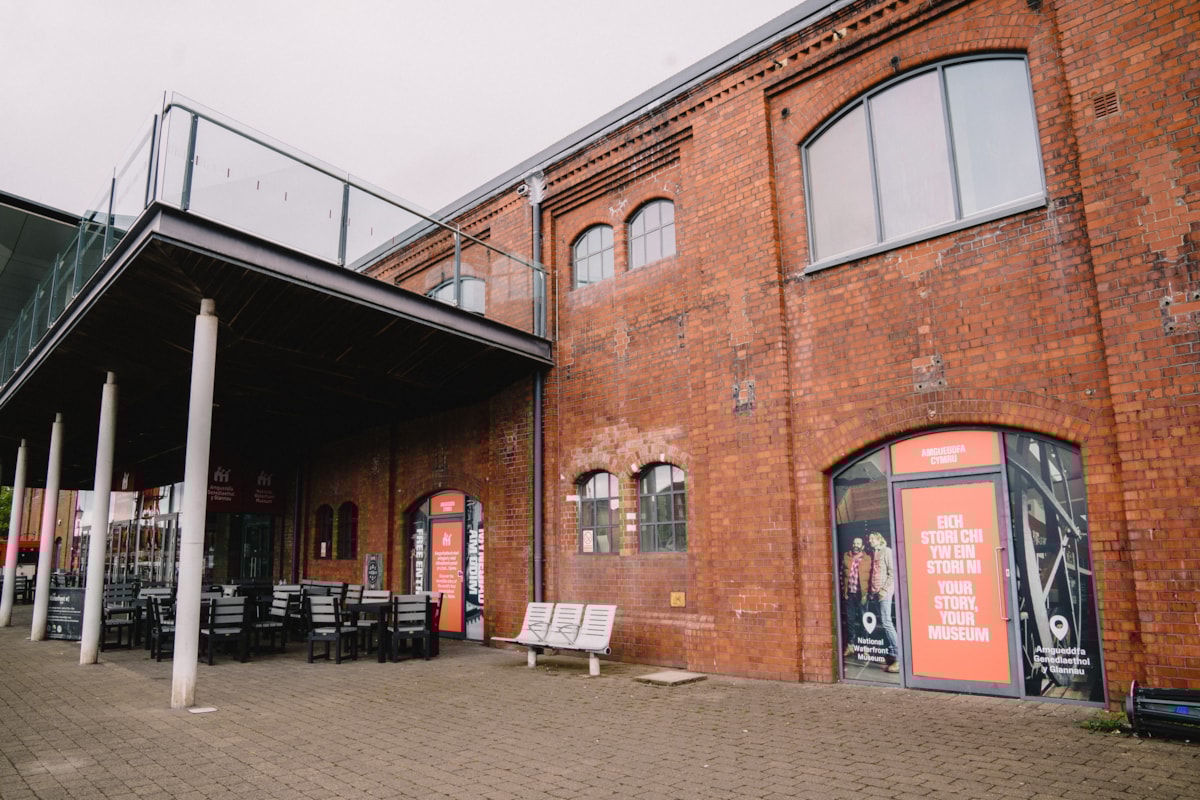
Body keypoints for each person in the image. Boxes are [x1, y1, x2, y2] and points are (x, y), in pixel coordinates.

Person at [867, 530, 901, 673]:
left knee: (887, 623)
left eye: (872, 538)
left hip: (884, 593)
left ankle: (900, 658)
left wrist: (884, 590)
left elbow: (893, 573)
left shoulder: (887, 551)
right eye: (869, 539)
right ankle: (892, 653)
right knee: (884, 622)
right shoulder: (873, 553)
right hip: (875, 593)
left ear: (879, 539)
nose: (870, 541)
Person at [840, 536, 871, 657]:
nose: (856, 545)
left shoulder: (868, 558)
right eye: (854, 543)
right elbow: (842, 574)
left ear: (862, 546)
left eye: (858, 543)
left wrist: (867, 594)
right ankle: (850, 646)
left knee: (864, 621)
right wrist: (844, 590)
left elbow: (871, 575)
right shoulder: (846, 556)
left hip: (862, 595)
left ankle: (865, 647)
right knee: (850, 620)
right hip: (850, 595)